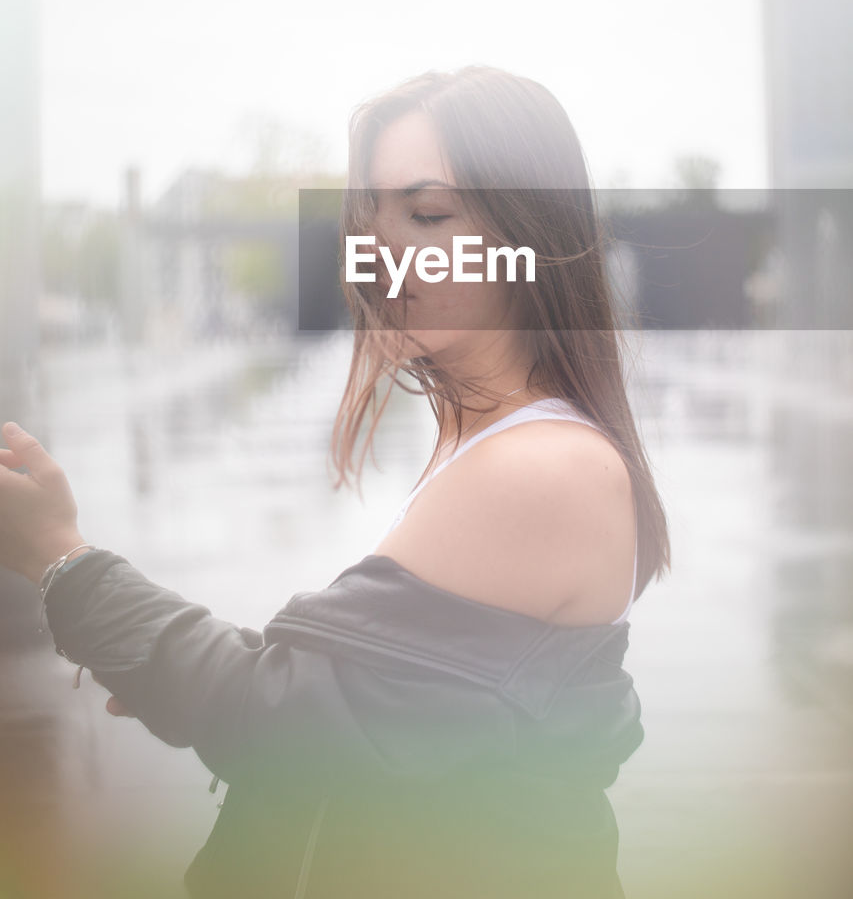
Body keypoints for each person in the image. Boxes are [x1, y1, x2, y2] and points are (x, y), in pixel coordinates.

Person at [0, 65, 670, 898]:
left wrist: (57, 558)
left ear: (527, 230)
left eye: (427, 213)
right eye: (373, 217)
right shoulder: (496, 441)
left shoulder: (541, 469)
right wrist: (172, 669)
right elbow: (355, 699)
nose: (386, 247)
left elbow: (270, 722)